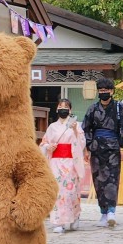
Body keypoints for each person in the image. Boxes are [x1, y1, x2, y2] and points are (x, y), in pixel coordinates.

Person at [83, 78, 123, 228]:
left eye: (106, 91)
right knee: (98, 180)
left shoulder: (120, 108)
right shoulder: (92, 109)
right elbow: (86, 130)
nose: (103, 93)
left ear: (112, 92)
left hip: (114, 148)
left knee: (113, 179)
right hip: (96, 148)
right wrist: (86, 150)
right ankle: (103, 212)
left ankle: (111, 212)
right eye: (100, 91)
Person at [40, 99, 86, 234]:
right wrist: (49, 146)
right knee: (58, 192)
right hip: (56, 162)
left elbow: (82, 143)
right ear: (56, 109)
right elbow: (43, 143)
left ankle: (74, 217)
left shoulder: (76, 126)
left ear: (70, 110)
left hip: (71, 162)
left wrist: (75, 132)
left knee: (71, 191)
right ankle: (58, 221)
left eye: (66, 107)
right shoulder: (52, 127)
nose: (63, 109)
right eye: (60, 106)